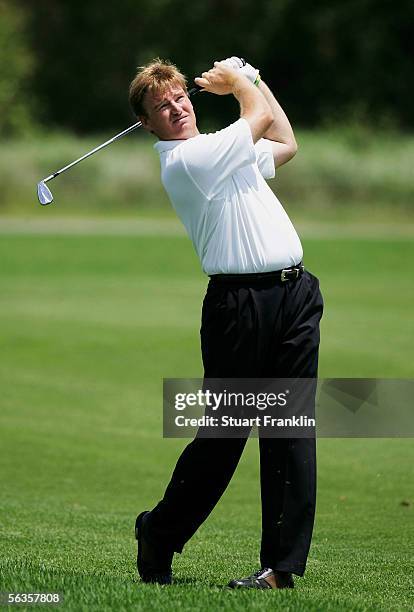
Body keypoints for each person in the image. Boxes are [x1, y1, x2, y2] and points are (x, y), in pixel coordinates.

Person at [128, 57, 323, 589]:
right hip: (239, 307)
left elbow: (284, 140)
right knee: (224, 439)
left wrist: (255, 80)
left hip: (296, 295)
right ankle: (159, 533)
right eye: (161, 106)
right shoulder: (188, 161)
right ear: (148, 124)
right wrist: (239, 83)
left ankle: (280, 570)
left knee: (290, 430)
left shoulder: (221, 149)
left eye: (179, 97)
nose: (176, 108)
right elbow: (256, 121)